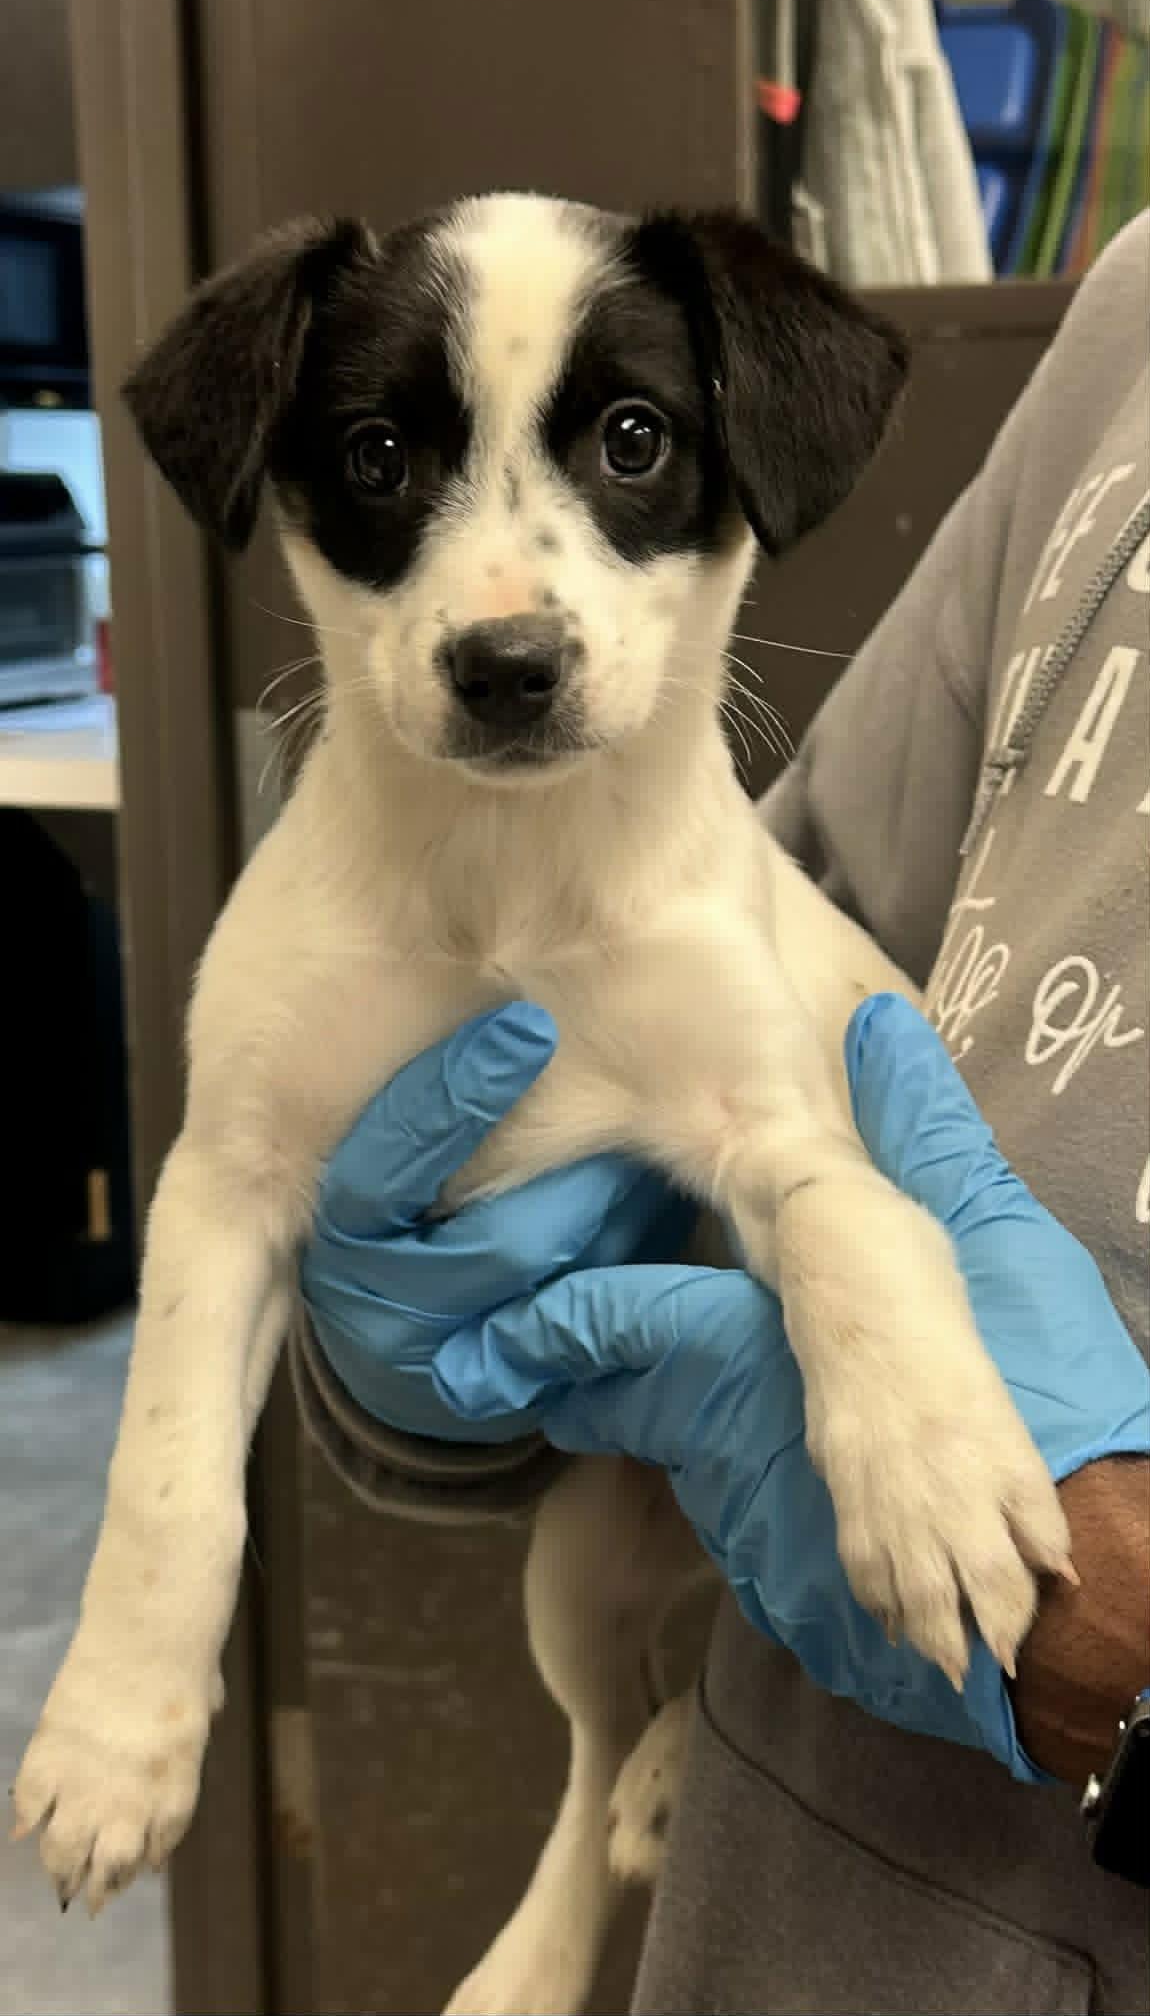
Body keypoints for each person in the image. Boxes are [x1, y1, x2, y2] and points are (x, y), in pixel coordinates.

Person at [292, 213, 1150, 2013]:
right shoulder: (1136, 316)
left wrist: (1134, 1675)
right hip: (784, 1922)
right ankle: (589, 1806)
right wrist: (429, 1364)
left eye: (622, 448)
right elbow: (767, 908)